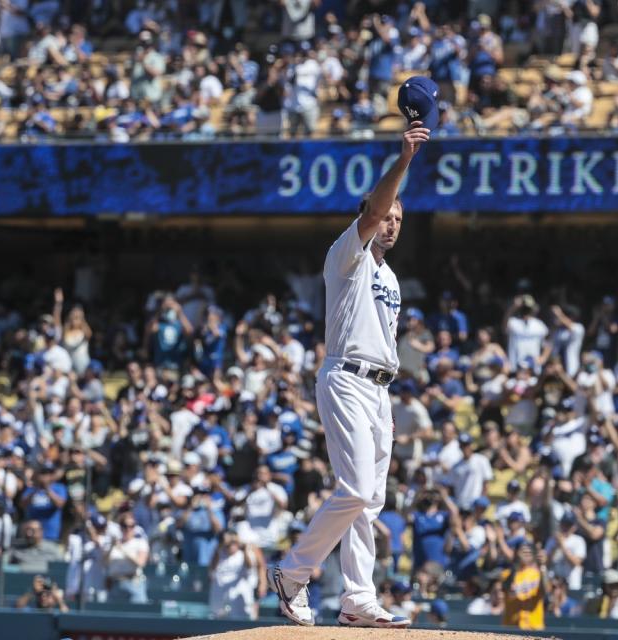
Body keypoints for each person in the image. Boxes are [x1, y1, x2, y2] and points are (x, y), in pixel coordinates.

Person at [269, 117, 431, 628]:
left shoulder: (392, 277)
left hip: (379, 386)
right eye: (386, 215)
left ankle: (358, 600)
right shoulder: (348, 256)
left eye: (399, 219)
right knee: (357, 488)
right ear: (368, 214)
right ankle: (293, 573)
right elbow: (379, 205)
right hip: (345, 377)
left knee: (370, 503)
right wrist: (403, 160)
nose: (392, 223)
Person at [501, 541, 547, 630]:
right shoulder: (507, 574)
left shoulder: (538, 574)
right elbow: (505, 587)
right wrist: (515, 564)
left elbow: (544, 590)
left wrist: (543, 566)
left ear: (533, 556)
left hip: (534, 627)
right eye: (522, 551)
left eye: (529, 552)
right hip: (511, 628)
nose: (525, 554)